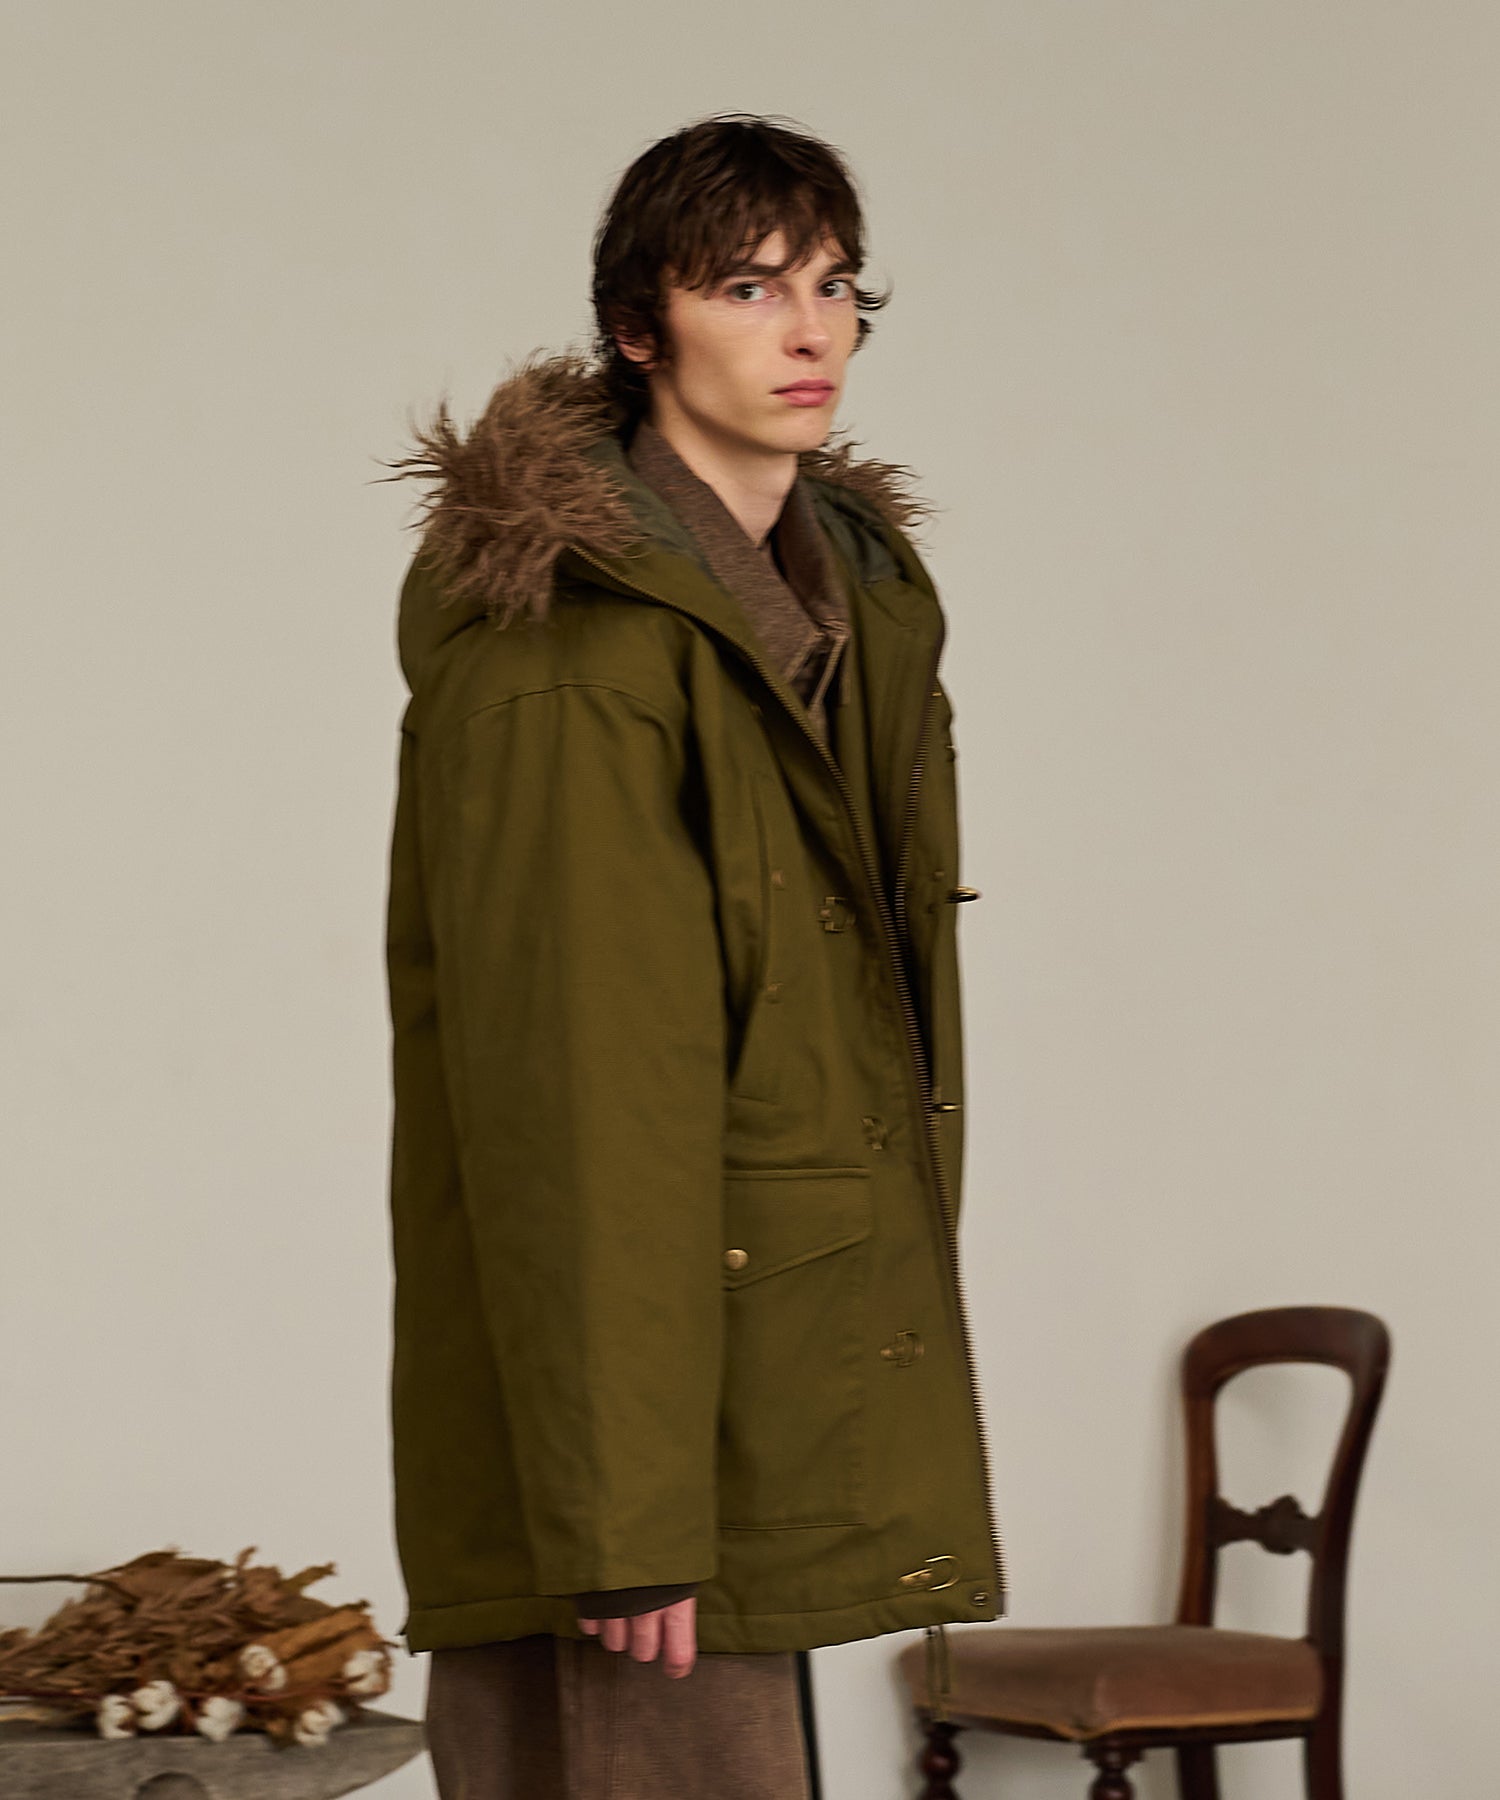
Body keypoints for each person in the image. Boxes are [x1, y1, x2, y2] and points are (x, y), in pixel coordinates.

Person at [382, 111, 1007, 1799]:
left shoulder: (833, 608)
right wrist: (622, 1516)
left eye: (834, 285)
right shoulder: (575, 648)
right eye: (747, 286)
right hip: (641, 1469)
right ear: (638, 330)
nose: (810, 331)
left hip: (749, 1394)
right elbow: (580, 1088)